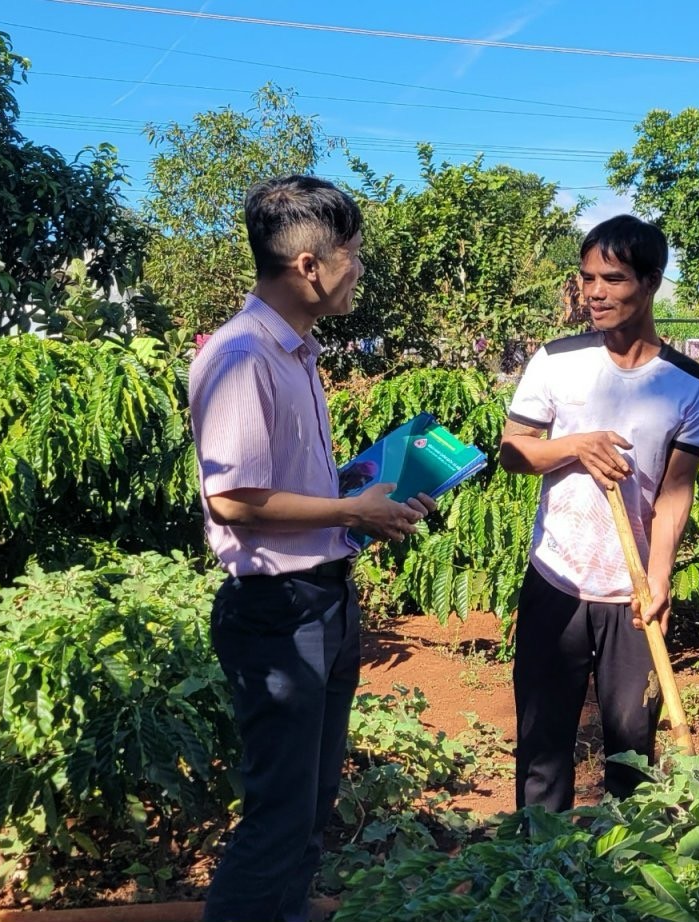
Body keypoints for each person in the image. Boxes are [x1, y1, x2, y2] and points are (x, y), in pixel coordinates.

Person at [187, 175, 436, 922]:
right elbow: (232, 498)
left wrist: (366, 497)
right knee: (277, 816)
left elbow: (283, 479)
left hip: (321, 595)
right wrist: (344, 506)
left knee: (310, 805)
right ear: (309, 265)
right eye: (352, 252)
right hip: (276, 611)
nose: (358, 267)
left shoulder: (295, 352)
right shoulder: (243, 357)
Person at [498, 215, 699, 811]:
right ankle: (539, 871)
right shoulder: (555, 360)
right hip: (557, 579)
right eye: (587, 278)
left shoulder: (691, 384)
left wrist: (661, 579)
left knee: (631, 749)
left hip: (632, 594)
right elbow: (512, 451)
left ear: (650, 282)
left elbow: (676, 490)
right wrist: (574, 446)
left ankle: (626, 880)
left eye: (613, 279)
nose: (594, 292)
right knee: (543, 744)